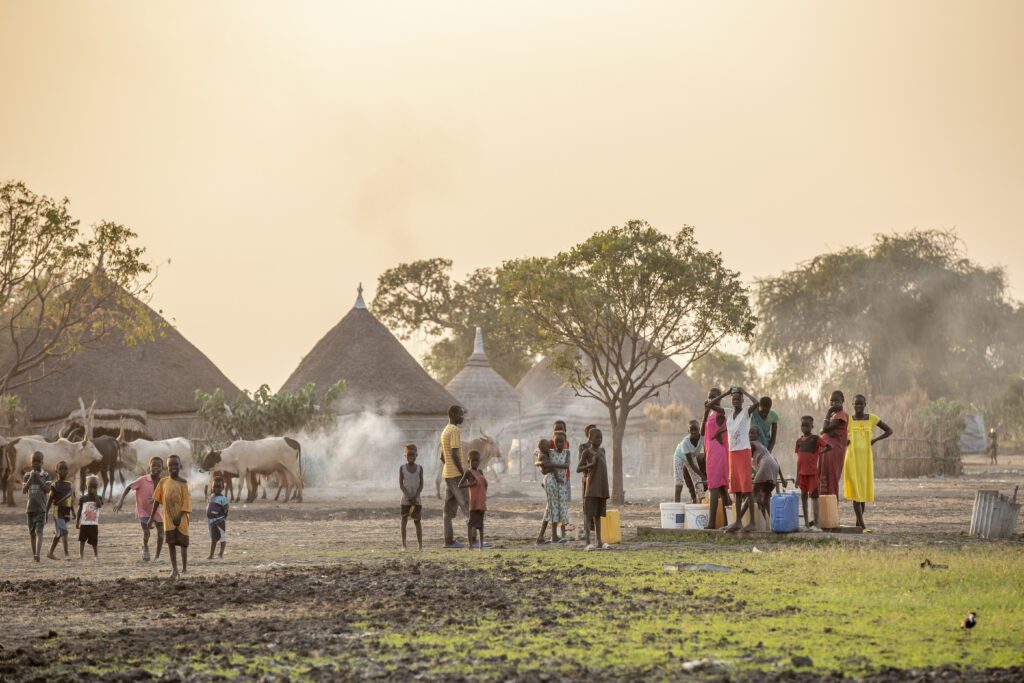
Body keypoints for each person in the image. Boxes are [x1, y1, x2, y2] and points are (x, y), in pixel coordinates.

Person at [705, 386, 759, 533]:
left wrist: (745, 391)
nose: (736, 401)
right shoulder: (728, 413)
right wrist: (726, 393)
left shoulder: (746, 412)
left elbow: (757, 403)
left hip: (743, 452)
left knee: (747, 487)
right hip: (732, 453)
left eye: (738, 399)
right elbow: (709, 405)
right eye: (733, 399)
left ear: (742, 400)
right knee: (736, 488)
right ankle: (738, 522)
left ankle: (752, 522)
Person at [843, 394, 893, 529]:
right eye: (856, 404)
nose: (858, 406)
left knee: (863, 492)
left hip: (865, 460)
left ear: (865, 404)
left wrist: (875, 440)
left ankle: (858, 524)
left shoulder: (872, 418)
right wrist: (844, 441)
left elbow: (889, 430)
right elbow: (835, 433)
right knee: (856, 492)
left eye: (861, 404)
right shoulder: (848, 420)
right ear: (852, 405)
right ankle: (863, 526)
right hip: (852, 459)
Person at [114, 456, 165, 562]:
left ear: (162, 468)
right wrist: (121, 501)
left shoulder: (163, 482)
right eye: (153, 465)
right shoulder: (143, 480)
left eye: (158, 466)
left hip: (157, 511)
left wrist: (158, 500)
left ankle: (157, 557)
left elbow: (165, 497)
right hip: (143, 511)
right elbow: (129, 487)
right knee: (147, 533)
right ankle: (145, 547)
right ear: (149, 467)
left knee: (161, 533)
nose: (156, 468)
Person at [150, 454, 192, 580]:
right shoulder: (163, 482)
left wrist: (180, 516)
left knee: (183, 544)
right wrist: (151, 518)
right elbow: (156, 500)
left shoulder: (183, 483)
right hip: (168, 520)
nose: (173, 467)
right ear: (166, 468)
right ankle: (175, 570)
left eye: (176, 464)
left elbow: (186, 503)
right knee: (171, 544)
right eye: (170, 465)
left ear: (180, 466)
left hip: (181, 519)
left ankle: (184, 568)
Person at [440, 405, 469, 549]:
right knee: (467, 506)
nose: (463, 417)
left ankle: (449, 541)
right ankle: (474, 540)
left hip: (447, 474)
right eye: (461, 415)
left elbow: (442, 456)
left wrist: (450, 466)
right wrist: (463, 473)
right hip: (456, 476)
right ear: (454, 414)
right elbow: (453, 454)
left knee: (448, 511)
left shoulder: (445, 430)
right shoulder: (455, 430)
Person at [701, 388, 730, 529]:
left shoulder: (720, 412)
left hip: (718, 453)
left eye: (713, 397)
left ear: (719, 398)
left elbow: (728, 426)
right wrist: (706, 412)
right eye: (709, 396)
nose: (710, 399)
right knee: (723, 489)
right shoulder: (712, 413)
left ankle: (712, 523)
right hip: (711, 453)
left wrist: (725, 394)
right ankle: (727, 522)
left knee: (714, 488)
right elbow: (702, 432)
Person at [578, 427, 610, 550]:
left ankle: (599, 541)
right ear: (590, 439)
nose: (600, 439)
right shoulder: (587, 452)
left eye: (601, 437)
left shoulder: (602, 451)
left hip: (601, 488)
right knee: (588, 515)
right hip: (591, 488)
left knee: (598, 516)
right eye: (597, 437)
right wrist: (591, 464)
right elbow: (578, 468)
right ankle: (587, 542)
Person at [795, 416, 829, 529]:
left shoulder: (815, 438)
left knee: (814, 497)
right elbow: (798, 460)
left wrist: (819, 453)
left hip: (812, 474)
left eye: (807, 425)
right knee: (804, 497)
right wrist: (796, 477)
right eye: (802, 425)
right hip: (801, 475)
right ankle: (806, 524)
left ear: (812, 426)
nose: (804, 427)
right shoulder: (799, 441)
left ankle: (816, 524)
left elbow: (829, 447)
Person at [747, 426, 784, 528]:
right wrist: (782, 479)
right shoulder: (762, 446)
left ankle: (749, 522)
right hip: (773, 468)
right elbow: (774, 460)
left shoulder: (751, 444)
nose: (750, 435)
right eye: (749, 433)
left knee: (752, 494)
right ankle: (774, 524)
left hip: (766, 467)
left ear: (758, 436)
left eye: (753, 433)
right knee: (766, 499)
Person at [23, 451, 52, 562]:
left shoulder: (46, 475)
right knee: (32, 533)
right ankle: (34, 554)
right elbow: (24, 490)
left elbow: (48, 489)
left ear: (42, 462)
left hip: (41, 508)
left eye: (37, 462)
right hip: (30, 509)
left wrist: (38, 479)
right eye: (33, 462)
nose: (35, 464)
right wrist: (31, 478)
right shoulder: (27, 475)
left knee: (39, 532)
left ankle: (37, 554)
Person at [819, 390, 849, 500]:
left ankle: (832, 506)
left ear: (843, 401)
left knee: (832, 477)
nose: (833, 403)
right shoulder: (835, 416)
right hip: (826, 451)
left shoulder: (841, 415)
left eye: (836, 401)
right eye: (831, 401)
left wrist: (828, 412)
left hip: (833, 451)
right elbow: (824, 431)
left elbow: (825, 428)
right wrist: (825, 431)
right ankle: (825, 506)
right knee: (824, 475)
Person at [542, 433, 571, 543]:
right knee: (553, 508)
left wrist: (552, 465)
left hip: (562, 484)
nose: (559, 444)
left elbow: (567, 465)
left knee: (562, 508)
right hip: (553, 483)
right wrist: (543, 463)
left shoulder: (566, 452)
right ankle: (554, 535)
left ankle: (561, 535)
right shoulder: (550, 452)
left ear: (564, 443)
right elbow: (540, 460)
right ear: (553, 443)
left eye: (561, 442)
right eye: (557, 442)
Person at [458, 450, 488, 550]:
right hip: (474, 502)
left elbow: (484, 484)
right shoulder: (468, 472)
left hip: (481, 501)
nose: (475, 463)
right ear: (468, 461)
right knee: (471, 524)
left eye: (477, 461)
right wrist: (471, 484)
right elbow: (460, 485)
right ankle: (470, 545)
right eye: (473, 461)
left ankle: (481, 545)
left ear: (479, 461)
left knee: (481, 524)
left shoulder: (480, 472)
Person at [46, 461, 75, 560]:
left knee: (58, 534)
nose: (63, 471)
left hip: (66, 512)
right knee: (65, 531)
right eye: (61, 469)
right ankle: (67, 554)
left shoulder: (69, 485)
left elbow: (70, 499)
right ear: (56, 471)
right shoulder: (54, 485)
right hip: (58, 512)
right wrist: (46, 513)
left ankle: (50, 552)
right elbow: (50, 500)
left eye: (65, 468)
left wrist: (73, 511)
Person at [399, 444, 424, 551]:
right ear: (405, 455)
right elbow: (401, 484)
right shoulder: (402, 468)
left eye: (413, 455)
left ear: (416, 455)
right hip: (405, 499)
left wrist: (415, 495)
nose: (411, 456)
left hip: (417, 500)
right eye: (409, 454)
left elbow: (421, 484)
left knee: (417, 521)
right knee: (404, 520)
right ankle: (404, 545)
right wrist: (409, 495)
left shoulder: (420, 468)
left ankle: (420, 546)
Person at [673, 421, 704, 503]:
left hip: (691, 455)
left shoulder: (702, 438)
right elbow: (691, 464)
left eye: (696, 429)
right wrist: (703, 475)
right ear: (688, 431)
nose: (694, 431)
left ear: (699, 429)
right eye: (691, 430)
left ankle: (701, 501)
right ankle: (677, 504)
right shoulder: (685, 443)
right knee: (679, 480)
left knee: (697, 479)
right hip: (679, 457)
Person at [76, 475, 102, 559]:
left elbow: (99, 505)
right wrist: (77, 521)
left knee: (94, 541)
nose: (92, 488)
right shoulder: (83, 498)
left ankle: (96, 555)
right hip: (84, 523)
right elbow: (79, 510)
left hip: (94, 524)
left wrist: (96, 496)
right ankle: (81, 555)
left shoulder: (98, 498)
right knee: (82, 540)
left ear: (97, 487)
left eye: (94, 486)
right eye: (90, 486)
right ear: (86, 486)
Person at [206, 476, 229, 559]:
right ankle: (211, 554)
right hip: (211, 522)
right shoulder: (210, 497)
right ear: (212, 487)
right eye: (214, 487)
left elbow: (226, 510)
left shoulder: (224, 499)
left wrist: (222, 518)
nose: (217, 489)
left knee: (222, 537)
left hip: (220, 521)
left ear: (223, 488)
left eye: (219, 487)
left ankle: (221, 553)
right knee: (213, 538)